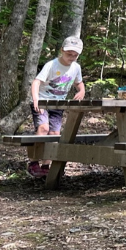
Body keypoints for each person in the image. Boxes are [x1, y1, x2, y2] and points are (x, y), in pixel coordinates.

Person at [28, 36, 86, 178]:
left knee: (54, 134)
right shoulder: (52, 65)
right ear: (62, 50)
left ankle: (46, 165)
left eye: (75, 55)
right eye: (69, 54)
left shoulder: (76, 68)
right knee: (43, 128)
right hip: (42, 101)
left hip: (58, 104)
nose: (71, 57)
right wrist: (36, 99)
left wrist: (81, 91)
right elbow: (36, 82)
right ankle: (33, 162)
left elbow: (79, 83)